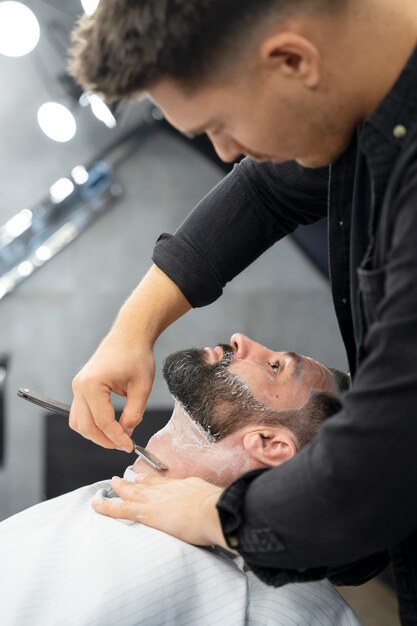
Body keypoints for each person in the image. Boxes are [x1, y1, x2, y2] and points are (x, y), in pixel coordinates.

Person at [67, 1, 417, 622]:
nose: (227, 152)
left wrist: (206, 514)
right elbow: (266, 189)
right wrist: (132, 329)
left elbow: (378, 475)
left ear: (291, 59)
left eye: (219, 124)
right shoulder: (364, 98)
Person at [0, 339, 359, 626]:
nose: (241, 340)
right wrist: (133, 331)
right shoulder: (92, 510)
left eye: (275, 366)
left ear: (269, 444)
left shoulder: (249, 598)